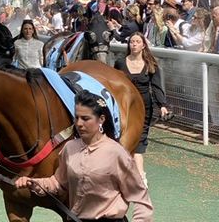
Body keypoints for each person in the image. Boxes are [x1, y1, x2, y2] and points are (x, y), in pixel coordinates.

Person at [15, 90, 153, 221]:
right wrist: (33, 183)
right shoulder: (70, 148)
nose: (79, 124)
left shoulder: (116, 153)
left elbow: (141, 198)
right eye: (77, 118)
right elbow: (58, 183)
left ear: (101, 119)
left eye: (85, 118)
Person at [113, 32, 172, 186]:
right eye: (132, 41)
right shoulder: (120, 63)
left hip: (144, 107)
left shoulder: (151, 65)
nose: (134, 44)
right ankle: (126, 175)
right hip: (124, 106)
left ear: (143, 45)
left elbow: (157, 87)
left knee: (140, 139)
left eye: (137, 41)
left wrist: (163, 106)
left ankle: (140, 177)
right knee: (123, 138)